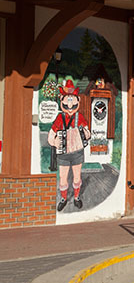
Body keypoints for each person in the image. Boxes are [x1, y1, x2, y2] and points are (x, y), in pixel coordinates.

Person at [48, 79, 91, 211]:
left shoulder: (80, 117)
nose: (70, 105)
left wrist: (86, 133)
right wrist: (55, 142)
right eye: (67, 101)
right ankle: (63, 198)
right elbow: (51, 136)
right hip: (64, 153)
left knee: (77, 176)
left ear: (77, 100)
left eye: (73, 101)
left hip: (77, 151)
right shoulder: (60, 118)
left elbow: (88, 133)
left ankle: (77, 197)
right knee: (63, 178)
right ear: (62, 100)